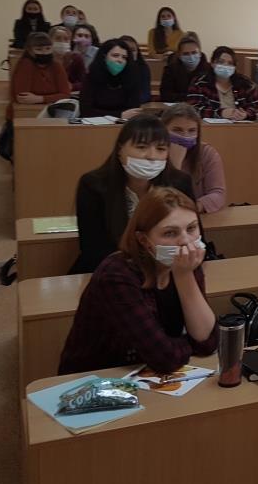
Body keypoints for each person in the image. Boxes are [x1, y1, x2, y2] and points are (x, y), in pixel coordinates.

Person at [58, 187, 217, 375]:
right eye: (170, 233)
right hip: (97, 377)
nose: (186, 241)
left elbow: (207, 342)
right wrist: (189, 343)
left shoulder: (186, 262)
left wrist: (184, 275)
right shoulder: (116, 276)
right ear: (143, 240)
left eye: (191, 228)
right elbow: (165, 358)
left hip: (147, 373)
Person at [72, 115, 198, 274]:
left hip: (169, 269)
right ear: (120, 150)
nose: (152, 156)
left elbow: (194, 237)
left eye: (160, 149)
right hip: (112, 272)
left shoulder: (180, 183)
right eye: (141, 147)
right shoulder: (94, 185)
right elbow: (93, 249)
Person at [161, 104, 227, 214]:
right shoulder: (154, 153)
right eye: (177, 130)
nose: (185, 135)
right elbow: (163, 198)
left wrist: (194, 206)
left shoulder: (207, 153)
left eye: (192, 130)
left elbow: (218, 194)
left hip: (195, 215)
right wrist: (176, 165)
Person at [187, 46, 258, 120]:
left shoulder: (246, 84)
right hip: (210, 127)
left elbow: (256, 108)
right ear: (212, 63)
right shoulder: (200, 83)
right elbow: (193, 109)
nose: (225, 65)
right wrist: (221, 113)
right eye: (221, 62)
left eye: (230, 63)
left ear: (234, 67)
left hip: (240, 126)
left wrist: (245, 114)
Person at [9, 32, 70, 119]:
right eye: (39, 49)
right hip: (26, 113)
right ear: (30, 51)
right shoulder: (26, 64)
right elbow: (23, 98)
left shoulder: (56, 65)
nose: (44, 53)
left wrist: (40, 98)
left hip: (53, 111)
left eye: (48, 48)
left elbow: (66, 94)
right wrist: (53, 97)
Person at [79, 39, 143, 119]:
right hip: (93, 124)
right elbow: (86, 111)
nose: (120, 60)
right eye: (115, 55)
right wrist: (119, 115)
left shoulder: (132, 77)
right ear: (104, 56)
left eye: (124, 57)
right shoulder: (91, 77)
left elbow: (133, 111)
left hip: (123, 124)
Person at [159, 35, 209, 102]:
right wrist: (192, 97)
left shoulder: (209, 70)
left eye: (194, 52)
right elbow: (165, 95)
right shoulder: (170, 70)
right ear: (179, 55)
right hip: (178, 106)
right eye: (186, 54)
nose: (191, 57)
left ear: (200, 53)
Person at [48, 25, 86, 92]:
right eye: (58, 38)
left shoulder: (76, 58)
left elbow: (85, 82)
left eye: (66, 39)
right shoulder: (43, 58)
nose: (62, 42)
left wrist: (72, 86)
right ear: (50, 40)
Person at [120, 35, 152, 104]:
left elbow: (145, 94)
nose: (130, 53)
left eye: (133, 50)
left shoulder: (143, 68)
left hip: (137, 104)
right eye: (126, 50)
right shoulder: (113, 68)